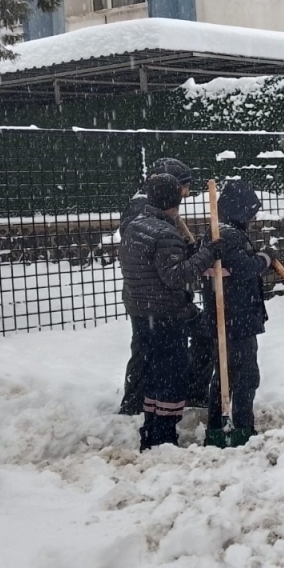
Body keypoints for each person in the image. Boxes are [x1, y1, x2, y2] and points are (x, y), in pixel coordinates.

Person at [119, 173, 216, 449]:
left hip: (141, 312)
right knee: (171, 375)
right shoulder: (166, 233)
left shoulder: (134, 227)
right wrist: (206, 254)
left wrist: (188, 252)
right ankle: (163, 436)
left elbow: (148, 266)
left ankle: (150, 430)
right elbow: (176, 276)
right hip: (166, 314)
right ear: (175, 202)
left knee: (153, 373)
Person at [201, 181, 273, 448]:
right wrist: (265, 258)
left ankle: (217, 428)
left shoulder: (220, 232)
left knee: (224, 375)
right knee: (243, 376)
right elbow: (243, 267)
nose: (253, 217)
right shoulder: (227, 235)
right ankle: (241, 428)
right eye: (250, 211)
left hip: (228, 317)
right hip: (236, 318)